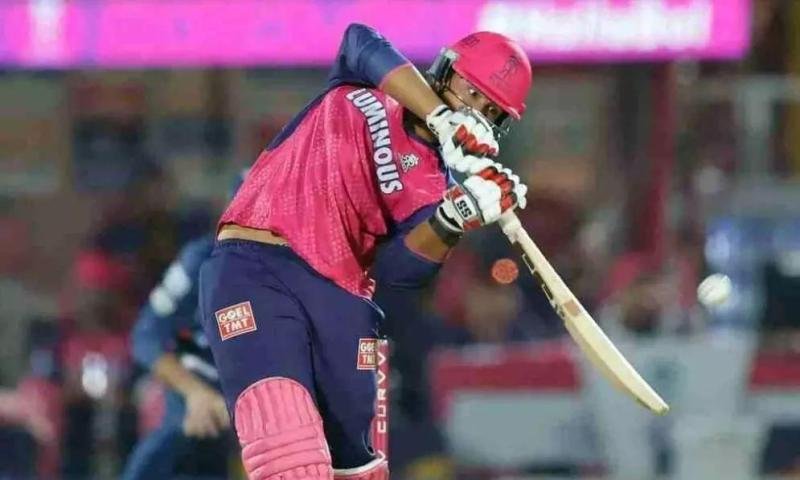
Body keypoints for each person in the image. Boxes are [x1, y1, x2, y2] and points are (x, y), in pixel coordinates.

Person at [199, 23, 533, 479]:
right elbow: (359, 40)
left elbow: (397, 272)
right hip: (257, 267)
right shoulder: (368, 83)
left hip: (342, 303)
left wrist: (454, 217)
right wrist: (440, 116)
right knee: (290, 459)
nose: (472, 111)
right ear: (443, 70)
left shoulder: (433, 188)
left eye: (489, 110)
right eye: (470, 92)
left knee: (357, 470)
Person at [123, 233, 233, 479]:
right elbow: (147, 336)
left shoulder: (301, 272)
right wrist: (196, 393)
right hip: (192, 426)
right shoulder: (202, 259)